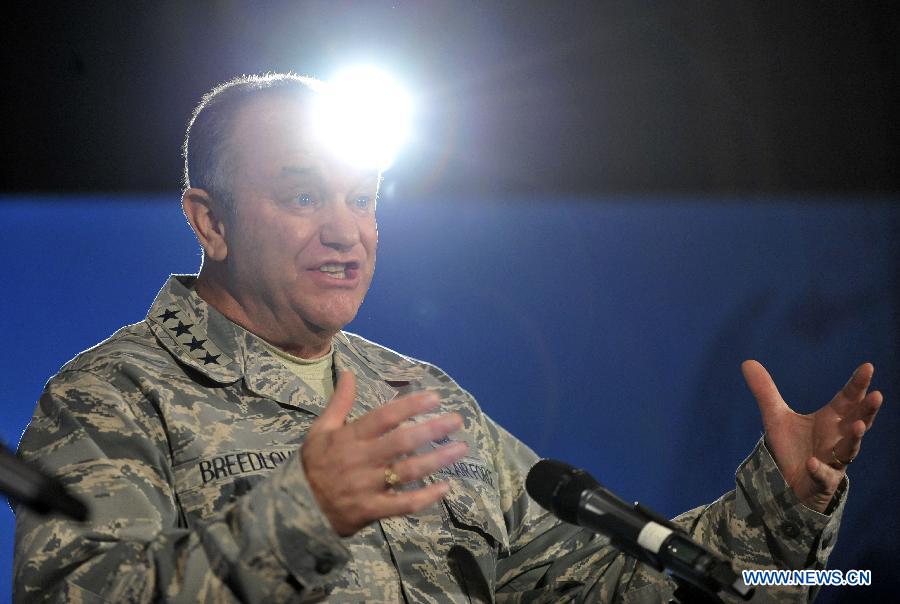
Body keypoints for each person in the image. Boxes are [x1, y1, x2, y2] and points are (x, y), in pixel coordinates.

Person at [13, 73, 882, 603]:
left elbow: (604, 589)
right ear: (210, 221)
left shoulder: (421, 402)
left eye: (364, 197)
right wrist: (300, 516)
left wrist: (783, 505)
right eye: (305, 197)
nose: (346, 232)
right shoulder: (112, 398)